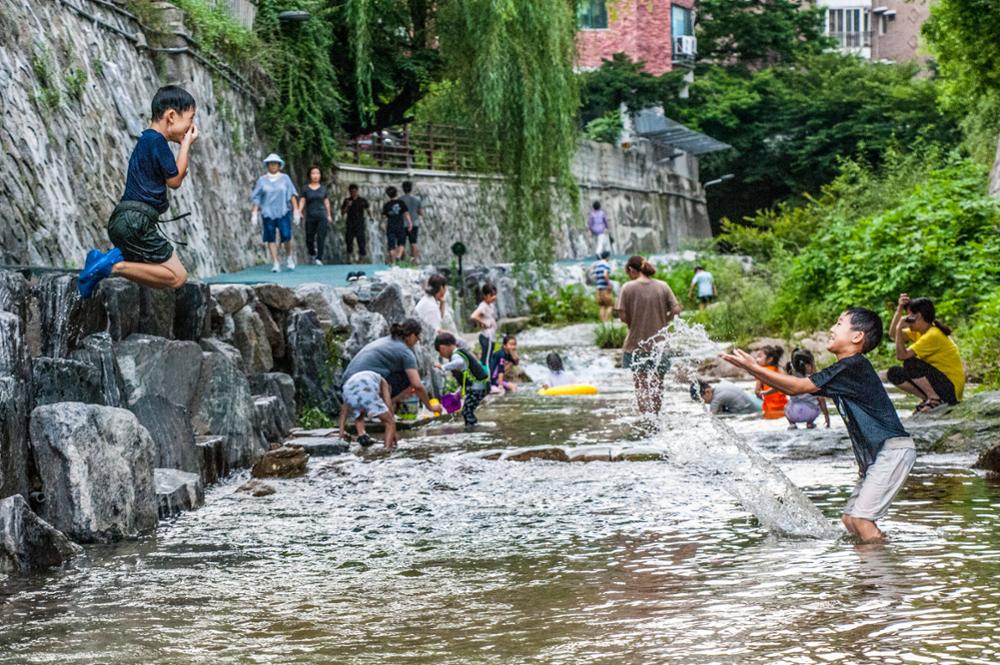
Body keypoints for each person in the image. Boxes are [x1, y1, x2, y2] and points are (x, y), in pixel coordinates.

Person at [721, 308, 917, 543]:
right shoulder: (846, 370)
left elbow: (797, 387)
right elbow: (792, 387)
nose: (832, 329)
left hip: (893, 451)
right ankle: (868, 573)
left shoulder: (852, 366)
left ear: (857, 337)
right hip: (881, 454)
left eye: (839, 323)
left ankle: (887, 575)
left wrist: (753, 369)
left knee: (862, 521)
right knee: (851, 520)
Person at [78, 85, 197, 297]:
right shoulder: (158, 142)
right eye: (190, 118)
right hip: (136, 222)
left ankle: (102, 265)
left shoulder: (147, 140)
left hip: (123, 220)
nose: (191, 126)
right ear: (171, 116)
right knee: (178, 277)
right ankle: (112, 266)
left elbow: (175, 173)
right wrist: (186, 143)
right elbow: (175, 180)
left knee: (154, 275)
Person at [616, 255, 681, 414]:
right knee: (658, 384)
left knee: (641, 385)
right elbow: (676, 309)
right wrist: (663, 321)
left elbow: (623, 316)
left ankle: (646, 419)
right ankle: (656, 417)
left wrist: (634, 323)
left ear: (631, 270)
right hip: (660, 345)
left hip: (635, 345)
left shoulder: (627, 287)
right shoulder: (663, 286)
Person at [342, 319, 440, 416]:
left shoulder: (387, 340)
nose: (416, 342)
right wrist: (430, 407)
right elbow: (417, 385)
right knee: (409, 379)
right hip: (363, 387)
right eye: (417, 338)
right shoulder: (405, 351)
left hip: (346, 385)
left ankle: (383, 407)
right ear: (412, 335)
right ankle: (382, 409)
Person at [888, 294, 965, 413]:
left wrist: (899, 328)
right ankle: (928, 398)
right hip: (940, 383)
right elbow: (893, 335)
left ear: (918, 316)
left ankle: (935, 399)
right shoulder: (920, 331)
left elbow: (902, 356)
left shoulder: (932, 335)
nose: (907, 319)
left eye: (909, 316)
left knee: (910, 363)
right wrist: (899, 309)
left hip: (951, 389)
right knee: (894, 373)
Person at [250, 153, 299, 273]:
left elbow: (291, 194)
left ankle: (289, 257)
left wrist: (296, 210)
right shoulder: (262, 180)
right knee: (270, 237)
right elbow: (257, 197)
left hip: (283, 211)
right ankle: (276, 263)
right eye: (270, 163)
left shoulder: (285, 178)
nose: (273, 166)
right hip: (268, 212)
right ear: (267, 165)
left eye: (275, 163)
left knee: (286, 235)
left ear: (279, 165)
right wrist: (254, 213)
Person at [434, 332, 490, 427]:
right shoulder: (459, 353)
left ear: (442, 347)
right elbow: (466, 378)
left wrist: (442, 366)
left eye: (439, 351)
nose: (441, 355)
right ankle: (473, 426)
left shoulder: (456, 355)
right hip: (480, 386)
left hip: (478, 387)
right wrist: (458, 394)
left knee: (466, 411)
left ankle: (472, 430)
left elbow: (459, 362)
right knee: (468, 410)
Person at [338, 371, 398, 450]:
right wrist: (393, 430)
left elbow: (344, 411)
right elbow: (388, 402)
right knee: (389, 422)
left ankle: (362, 437)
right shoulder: (383, 382)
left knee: (359, 414)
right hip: (366, 388)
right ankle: (387, 449)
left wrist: (341, 432)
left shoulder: (369, 376)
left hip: (348, 391)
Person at [784, 349, 831, 429]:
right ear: (809, 365)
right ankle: (810, 423)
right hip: (811, 413)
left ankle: (792, 424)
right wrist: (827, 417)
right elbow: (821, 399)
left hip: (793, 413)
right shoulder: (813, 380)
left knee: (786, 406)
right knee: (815, 404)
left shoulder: (791, 379)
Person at [298, 165, 331, 265]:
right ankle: (312, 253)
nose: (315, 175)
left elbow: (326, 202)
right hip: (311, 216)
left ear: (320, 175)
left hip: (322, 215)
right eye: (313, 173)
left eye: (317, 173)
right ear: (310, 175)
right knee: (309, 237)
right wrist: (299, 211)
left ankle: (319, 258)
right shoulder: (305, 188)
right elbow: (303, 200)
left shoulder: (323, 189)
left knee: (321, 236)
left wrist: (329, 215)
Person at [754, 345, 788, 420]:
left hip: (770, 409)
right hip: (784, 407)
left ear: (769, 359)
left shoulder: (761, 372)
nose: (756, 360)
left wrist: (760, 396)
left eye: (759, 357)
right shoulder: (780, 370)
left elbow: (757, 391)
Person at [340, 184, 371, 263]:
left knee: (361, 241)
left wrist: (371, 217)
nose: (353, 193)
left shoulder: (362, 200)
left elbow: (367, 209)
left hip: (360, 224)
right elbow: (342, 213)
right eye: (351, 192)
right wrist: (347, 206)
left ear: (357, 191)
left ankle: (361, 259)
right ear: (349, 192)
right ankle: (349, 258)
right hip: (350, 224)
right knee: (349, 240)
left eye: (354, 191)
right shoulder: (347, 200)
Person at [470, 283, 498, 370]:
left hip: (491, 335)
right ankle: (486, 377)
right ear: (485, 296)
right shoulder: (483, 306)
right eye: (491, 295)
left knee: (488, 357)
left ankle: (487, 375)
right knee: (486, 359)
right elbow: (473, 316)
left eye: (495, 294)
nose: (494, 297)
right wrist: (484, 322)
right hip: (487, 335)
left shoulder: (490, 305)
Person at [381, 186, 411, 265]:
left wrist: (383, 226)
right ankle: (399, 256)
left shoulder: (386, 205)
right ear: (396, 193)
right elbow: (406, 214)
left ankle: (393, 263)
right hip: (400, 226)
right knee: (402, 243)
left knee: (391, 246)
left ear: (388, 195)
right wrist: (410, 223)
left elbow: (384, 217)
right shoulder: (401, 203)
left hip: (390, 227)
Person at [399, 180, 422, 261]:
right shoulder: (417, 199)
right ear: (411, 189)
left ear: (403, 189)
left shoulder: (400, 199)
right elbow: (420, 212)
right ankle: (414, 260)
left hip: (403, 224)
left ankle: (402, 260)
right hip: (414, 223)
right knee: (413, 242)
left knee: (402, 244)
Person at [592, 250, 614, 322]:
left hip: (598, 288)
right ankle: (607, 322)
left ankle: (602, 322)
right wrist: (609, 284)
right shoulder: (606, 264)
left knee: (602, 306)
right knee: (610, 305)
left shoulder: (597, 265)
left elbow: (595, 277)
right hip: (605, 288)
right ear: (607, 257)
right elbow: (605, 274)